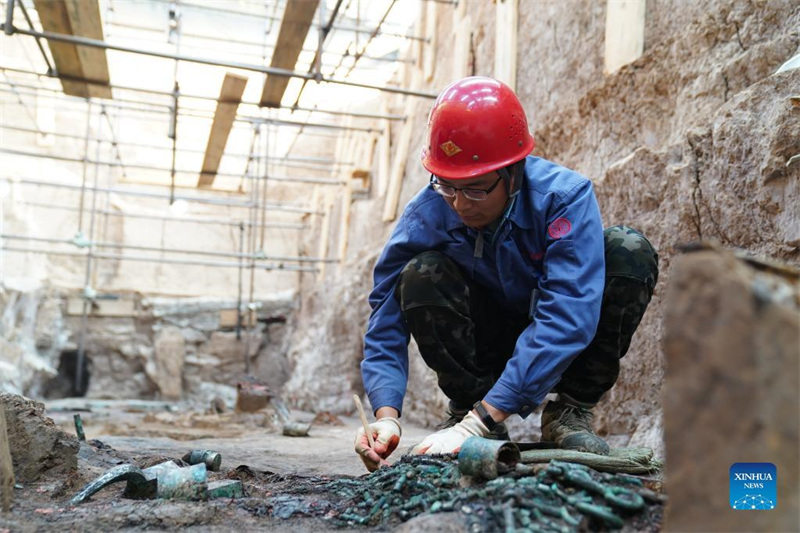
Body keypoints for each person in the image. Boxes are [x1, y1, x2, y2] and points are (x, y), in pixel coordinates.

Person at [354, 76, 658, 471]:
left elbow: (567, 315)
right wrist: (386, 416)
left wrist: (478, 423)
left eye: (477, 189)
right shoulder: (426, 213)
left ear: (513, 173)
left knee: (627, 251)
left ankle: (569, 413)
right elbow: (385, 318)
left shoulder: (564, 199)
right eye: (447, 186)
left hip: (555, 342)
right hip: (484, 342)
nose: (460, 204)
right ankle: (470, 406)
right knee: (419, 275)